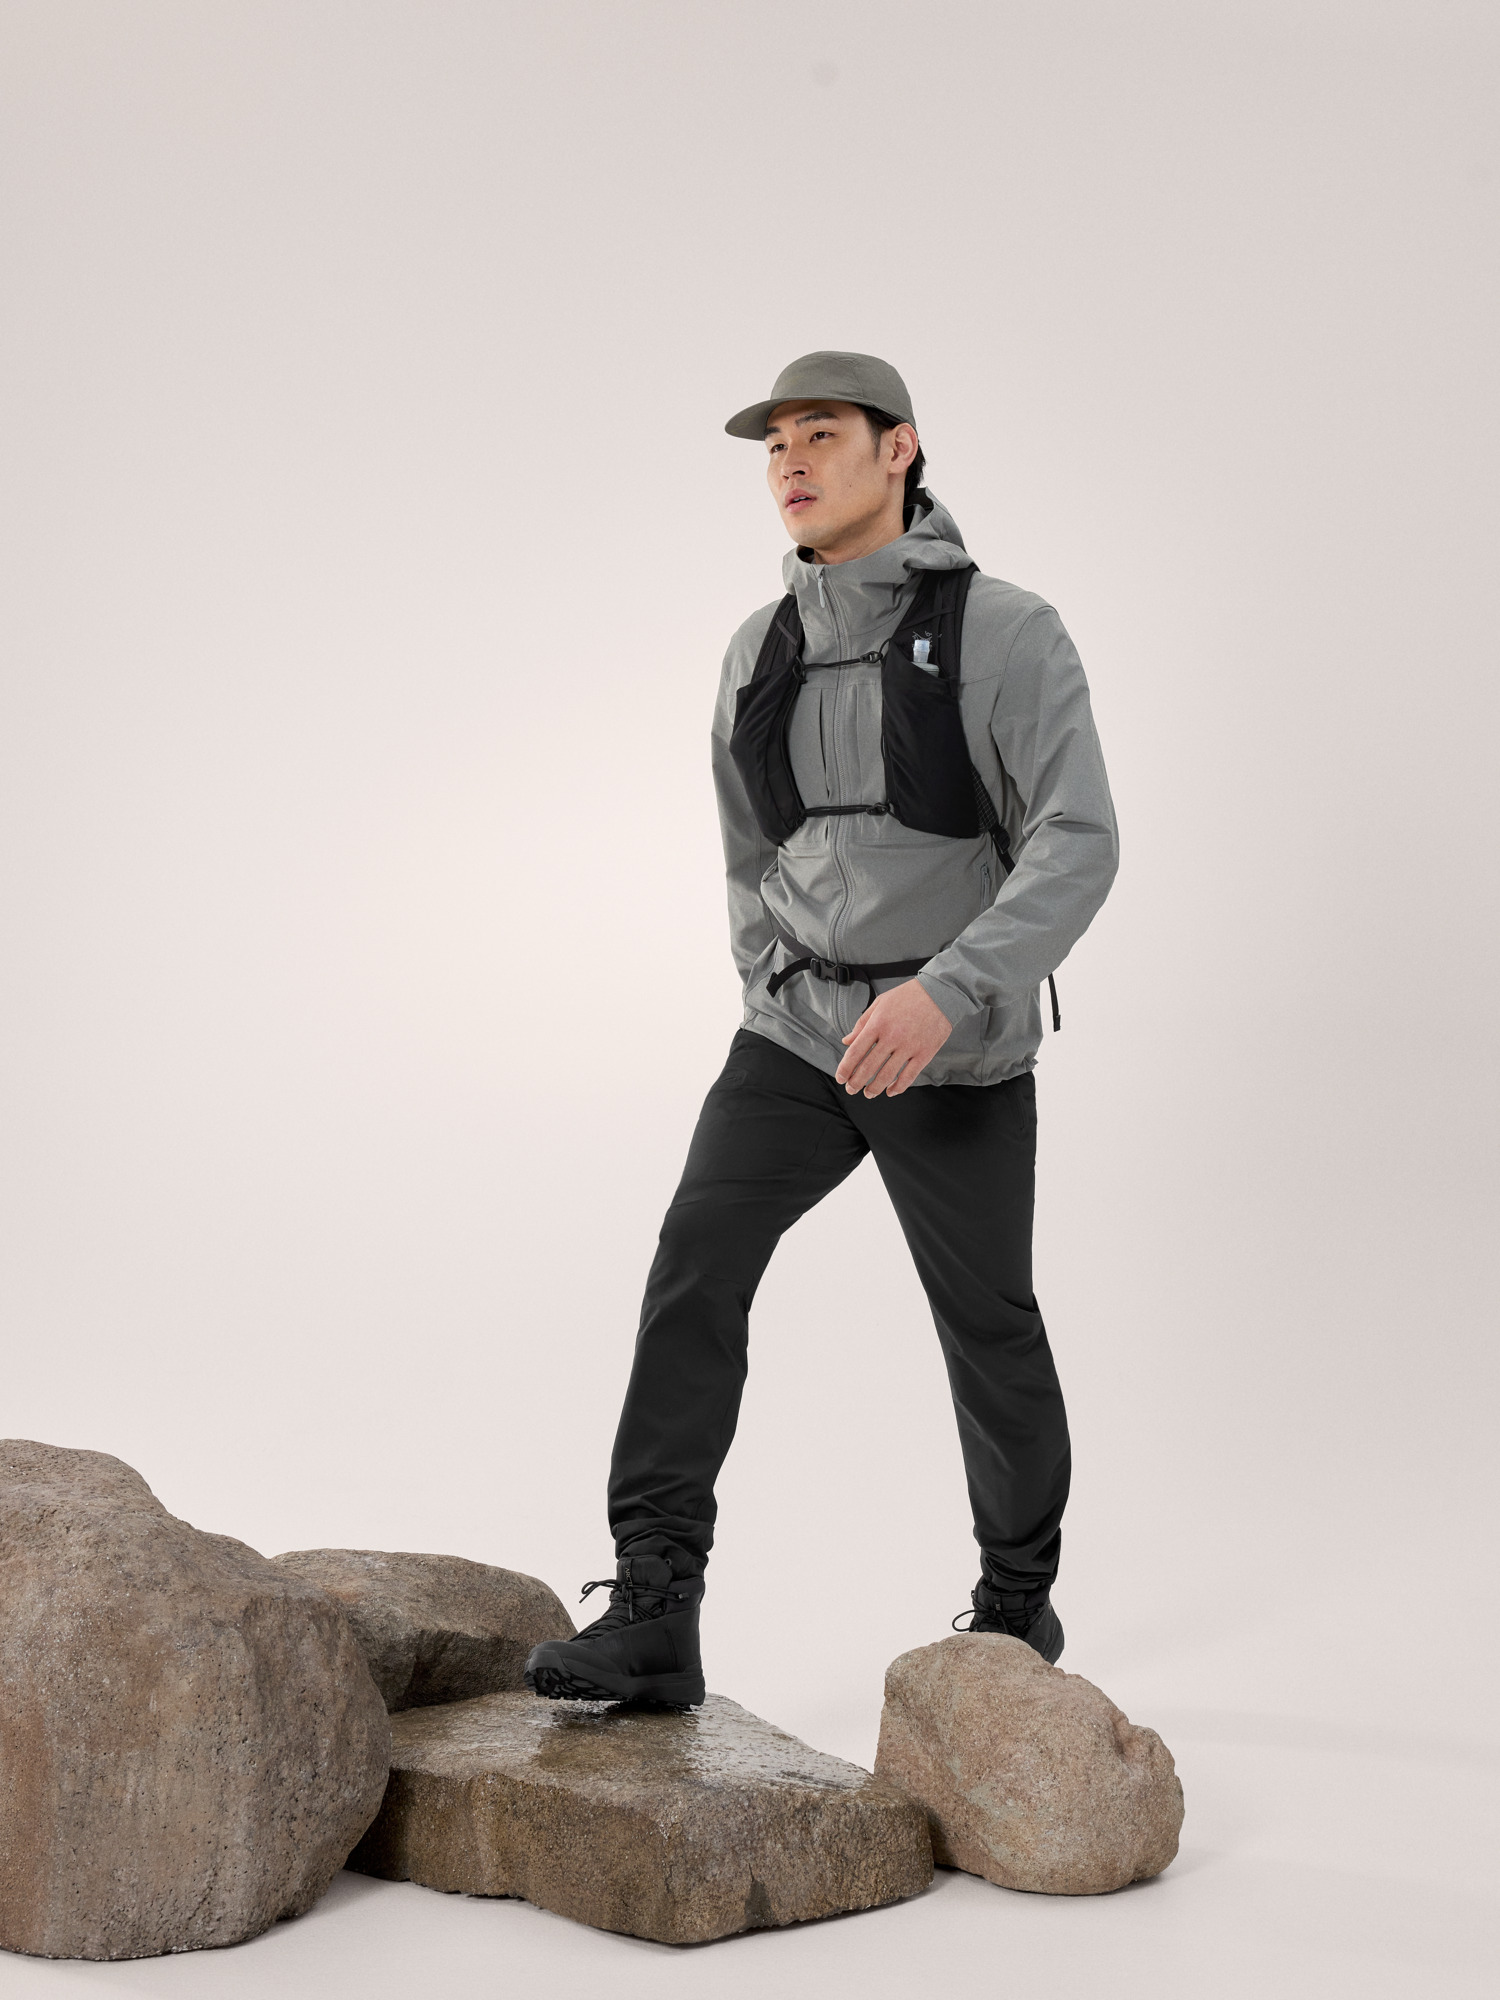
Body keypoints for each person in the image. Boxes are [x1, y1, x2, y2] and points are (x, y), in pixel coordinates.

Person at [525, 352, 1119, 1707]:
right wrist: (771, 982)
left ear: (899, 448)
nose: (789, 462)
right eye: (773, 445)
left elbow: (1078, 840)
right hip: (795, 1038)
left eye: (821, 434)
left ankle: (1014, 1612)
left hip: (952, 1045)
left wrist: (952, 991)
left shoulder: (1009, 632)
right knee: (695, 1266)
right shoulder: (758, 648)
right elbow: (749, 852)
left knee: (988, 1325)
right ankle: (655, 1610)